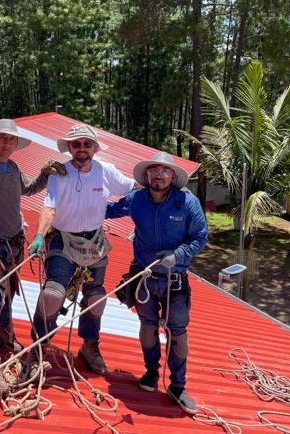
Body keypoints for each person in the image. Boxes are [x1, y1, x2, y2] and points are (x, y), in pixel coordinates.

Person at [0, 118, 66, 396]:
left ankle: (3, 337)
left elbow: (28, 189)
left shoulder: (13, 167)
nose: (8, 144)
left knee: (8, 294)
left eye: (12, 140)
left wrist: (45, 174)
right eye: (3, 139)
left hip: (13, 244)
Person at [27, 123, 135, 376]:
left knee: (95, 298)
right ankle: (38, 348)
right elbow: (49, 206)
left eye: (87, 144)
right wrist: (40, 234)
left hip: (94, 240)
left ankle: (89, 345)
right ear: (70, 148)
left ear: (95, 148)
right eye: (77, 144)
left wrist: (168, 190)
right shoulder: (59, 173)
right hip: (64, 239)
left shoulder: (106, 171)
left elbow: (135, 188)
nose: (82, 149)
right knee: (53, 294)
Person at [105, 151, 208, 415]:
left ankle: (177, 385)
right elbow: (108, 211)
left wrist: (178, 255)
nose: (158, 175)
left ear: (173, 176)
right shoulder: (136, 199)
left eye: (164, 171)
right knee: (147, 327)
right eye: (154, 170)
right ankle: (151, 372)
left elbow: (200, 237)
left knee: (177, 334)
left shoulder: (187, 202)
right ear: (147, 175)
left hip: (176, 281)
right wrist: (72, 208)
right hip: (144, 278)